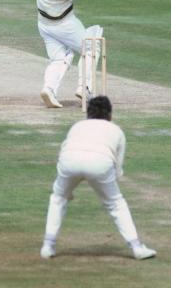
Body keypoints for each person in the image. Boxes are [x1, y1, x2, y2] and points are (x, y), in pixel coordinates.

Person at [40, 96, 156, 260]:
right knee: (116, 203)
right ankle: (137, 247)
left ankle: (48, 246)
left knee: (58, 198)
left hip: (69, 161)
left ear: (88, 113)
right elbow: (117, 170)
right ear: (110, 114)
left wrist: (66, 189)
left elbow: (63, 152)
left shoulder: (77, 126)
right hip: (100, 163)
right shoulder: (117, 131)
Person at [36, 0, 112, 108]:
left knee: (60, 58)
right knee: (92, 46)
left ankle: (48, 89)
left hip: (44, 24)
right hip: (63, 24)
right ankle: (85, 87)